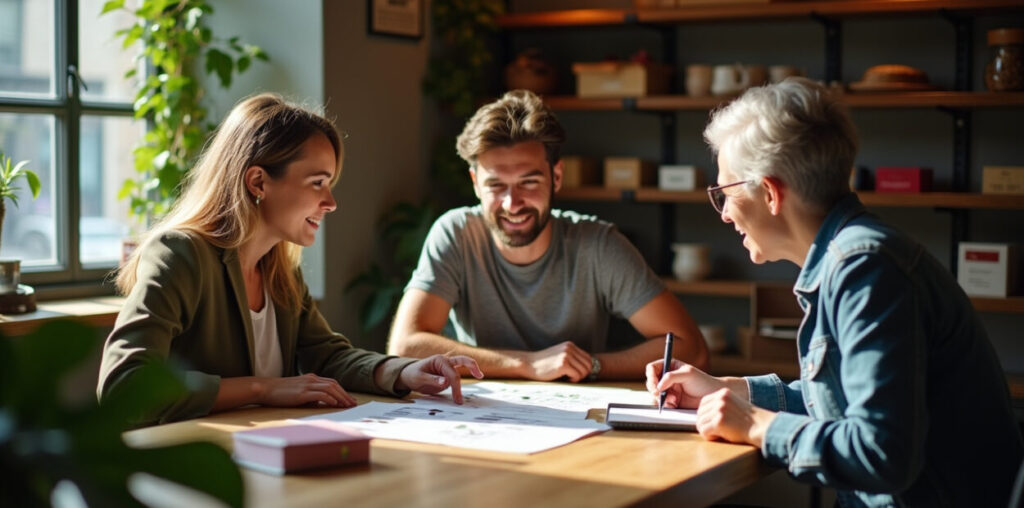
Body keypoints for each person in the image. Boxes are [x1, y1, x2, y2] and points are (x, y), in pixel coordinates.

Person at [646, 78, 1023, 506]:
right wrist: (733, 392)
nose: (725, 214)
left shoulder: (866, 270)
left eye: (724, 193)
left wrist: (755, 425)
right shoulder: (853, 257)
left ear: (770, 193)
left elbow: (880, 452)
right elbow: (847, 409)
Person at [98, 93, 482, 425]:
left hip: (263, 454)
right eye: (318, 183)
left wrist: (403, 371)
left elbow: (327, 356)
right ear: (258, 182)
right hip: (191, 468)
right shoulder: (180, 254)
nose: (330, 203)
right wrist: (264, 388)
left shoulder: (278, 268)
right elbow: (124, 385)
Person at [388, 90, 707, 382]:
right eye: (496, 185)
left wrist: (590, 365)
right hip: (478, 415)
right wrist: (527, 364)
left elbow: (691, 347)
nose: (512, 204)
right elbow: (404, 345)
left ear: (556, 177)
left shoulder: (597, 245)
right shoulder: (456, 233)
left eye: (528, 182)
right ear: (475, 183)